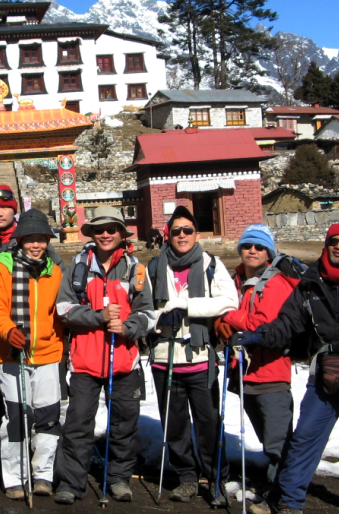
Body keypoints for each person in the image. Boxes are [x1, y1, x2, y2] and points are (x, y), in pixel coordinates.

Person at [232, 224, 339, 514]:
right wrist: (260, 335)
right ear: (326, 244)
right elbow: (288, 324)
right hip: (324, 379)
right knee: (304, 440)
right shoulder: (310, 284)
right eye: (333, 241)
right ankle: (289, 502)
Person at [0, 185, 63, 480]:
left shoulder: (37, 240)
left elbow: (57, 285)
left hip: (29, 341)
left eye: (5, 206)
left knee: (30, 404)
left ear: (15, 209)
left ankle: (34, 460)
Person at [54, 206, 156, 505]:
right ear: (92, 233)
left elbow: (149, 314)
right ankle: (71, 482)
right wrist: (97, 316)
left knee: (124, 425)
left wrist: (128, 326)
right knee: (77, 425)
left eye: (112, 229)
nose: (106, 234)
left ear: (122, 234)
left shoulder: (136, 270)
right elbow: (63, 310)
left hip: (124, 362)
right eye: (100, 229)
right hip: (86, 361)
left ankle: (120, 478)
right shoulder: (76, 269)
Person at [147, 205, 237, 506]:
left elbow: (228, 301)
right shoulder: (155, 267)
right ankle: (186, 477)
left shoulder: (211, 264)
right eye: (176, 231)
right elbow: (145, 308)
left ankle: (216, 479)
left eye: (187, 230)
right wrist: (161, 317)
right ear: (168, 235)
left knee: (209, 423)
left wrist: (188, 307)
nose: (182, 235)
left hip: (199, 356)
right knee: (174, 425)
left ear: (196, 234)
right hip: (165, 356)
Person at [214, 225, 299, 514]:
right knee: (267, 437)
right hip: (248, 374)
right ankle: (277, 488)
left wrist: (227, 315)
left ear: (269, 253)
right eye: (247, 246)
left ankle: (285, 497)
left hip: (272, 372)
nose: (252, 251)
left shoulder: (276, 284)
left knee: (278, 441)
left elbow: (264, 323)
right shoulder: (240, 279)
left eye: (259, 247)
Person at [0, 209, 64, 499]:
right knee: (17, 417)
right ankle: (15, 475)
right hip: (11, 355)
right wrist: (7, 331)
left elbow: (58, 312)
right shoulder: (2, 267)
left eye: (40, 240)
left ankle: (42, 473)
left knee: (48, 417)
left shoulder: (54, 271)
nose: (35, 245)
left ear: (46, 241)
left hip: (47, 353)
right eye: (29, 239)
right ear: (19, 241)